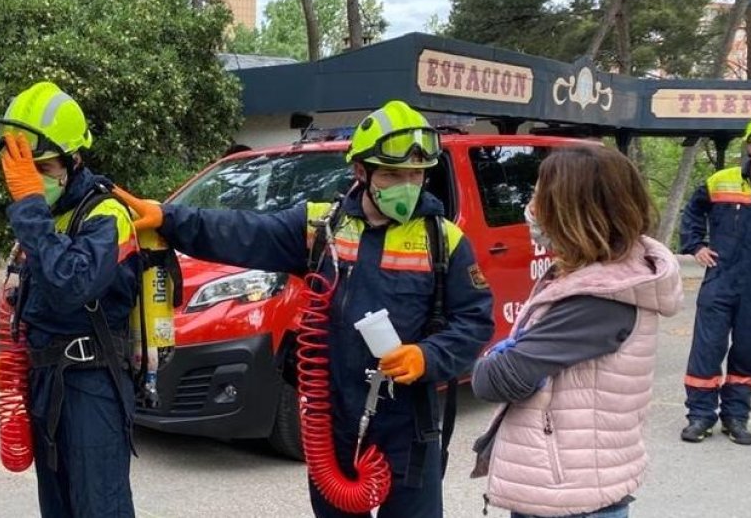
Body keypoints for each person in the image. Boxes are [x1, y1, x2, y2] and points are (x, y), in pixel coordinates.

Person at [119, 100, 493, 518]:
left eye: (415, 175)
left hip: (407, 424)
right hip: (332, 420)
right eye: (392, 174)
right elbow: (242, 232)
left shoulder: (446, 241)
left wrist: (428, 356)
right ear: (361, 172)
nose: (406, 185)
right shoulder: (320, 228)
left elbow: (474, 322)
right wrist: (170, 219)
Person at [470, 145, 682, 518]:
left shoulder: (599, 298)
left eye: (540, 196)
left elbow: (496, 380)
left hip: (572, 499)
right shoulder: (596, 276)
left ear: (573, 212)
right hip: (572, 486)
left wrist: (496, 358)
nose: (531, 207)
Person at [0, 81, 141, 518]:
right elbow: (35, 306)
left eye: (40, 167)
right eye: (22, 170)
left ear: (72, 161)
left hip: (92, 386)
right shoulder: (49, 219)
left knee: (99, 508)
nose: (30, 182)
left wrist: (31, 211)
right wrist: (17, 362)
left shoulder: (105, 215)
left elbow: (72, 285)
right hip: (49, 384)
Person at [678, 119, 751, 445]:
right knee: (707, 349)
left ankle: (736, 417)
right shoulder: (722, 181)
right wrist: (695, 245)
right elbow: (693, 210)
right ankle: (700, 416)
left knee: (750, 353)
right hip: (721, 280)